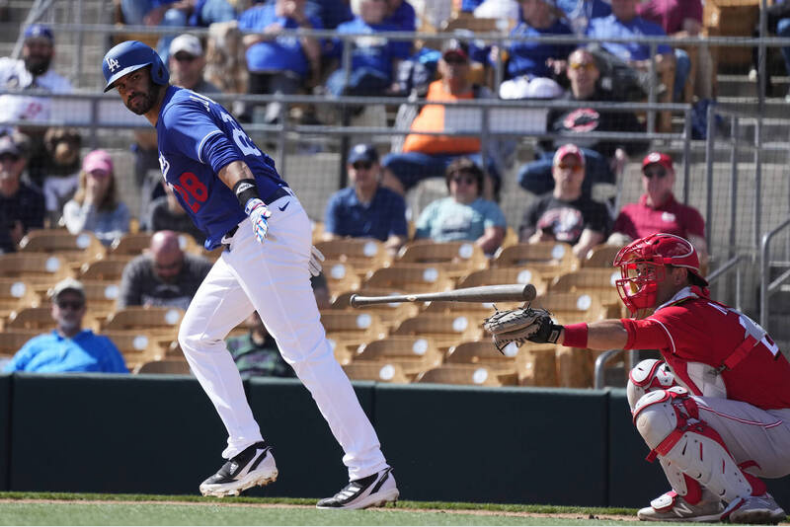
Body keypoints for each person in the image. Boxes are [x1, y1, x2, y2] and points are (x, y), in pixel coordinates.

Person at [102, 40, 397, 508]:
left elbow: (222, 153)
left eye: (135, 77)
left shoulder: (176, 112)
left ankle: (369, 468)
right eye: (120, 85)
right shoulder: (184, 106)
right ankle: (247, 447)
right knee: (197, 335)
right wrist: (284, 225)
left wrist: (253, 201)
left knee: (307, 355)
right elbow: (256, 157)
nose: (129, 89)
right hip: (258, 233)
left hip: (255, 225)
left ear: (156, 71)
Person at [487, 233, 790, 523]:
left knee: (659, 408)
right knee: (645, 379)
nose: (640, 278)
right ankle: (696, 501)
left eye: (650, 269)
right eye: (640, 270)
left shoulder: (687, 314)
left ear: (679, 276)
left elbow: (625, 333)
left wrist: (556, 333)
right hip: (760, 423)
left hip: (777, 432)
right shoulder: (692, 309)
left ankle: (754, 498)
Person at [382, 39, 504, 199]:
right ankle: (397, 217)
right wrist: (398, 151)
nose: (453, 66)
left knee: (486, 167)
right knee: (389, 164)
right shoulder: (422, 93)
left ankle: (489, 218)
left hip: (466, 160)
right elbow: (401, 128)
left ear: (469, 66)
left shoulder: (481, 94)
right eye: (449, 60)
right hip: (423, 160)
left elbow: (498, 133)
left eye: (459, 61)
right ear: (440, 64)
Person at [517, 48, 647, 197]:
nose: (582, 71)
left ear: (596, 72)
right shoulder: (557, 106)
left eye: (588, 66)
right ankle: (558, 201)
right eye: (576, 66)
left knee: (581, 163)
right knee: (526, 174)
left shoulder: (611, 103)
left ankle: (576, 202)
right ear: (568, 72)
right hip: (560, 162)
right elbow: (541, 145)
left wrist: (622, 149)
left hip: (593, 161)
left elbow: (640, 137)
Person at [2, 278, 129, 374]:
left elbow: (123, 386)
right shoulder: (35, 345)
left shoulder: (103, 346)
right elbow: (6, 380)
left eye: (75, 305)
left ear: (83, 310)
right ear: (53, 309)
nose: (69, 310)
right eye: (63, 304)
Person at [0, 24, 73, 186]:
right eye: (32, 45)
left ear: (52, 51)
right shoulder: (5, 68)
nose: (36, 51)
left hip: (32, 145)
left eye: (42, 46)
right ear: (24, 48)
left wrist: (36, 129)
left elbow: (63, 128)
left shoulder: (61, 85)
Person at [610, 151, 708, 268]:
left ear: (672, 177)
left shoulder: (689, 215)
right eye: (649, 174)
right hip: (631, 276)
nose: (654, 178)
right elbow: (610, 251)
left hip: (667, 277)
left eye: (661, 173)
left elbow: (700, 255)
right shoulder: (627, 212)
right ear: (643, 178)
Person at [237, 0, 322, 124]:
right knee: (245, 83)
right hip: (253, 71)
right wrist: (262, 36)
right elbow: (237, 45)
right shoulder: (256, 14)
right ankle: (240, 121)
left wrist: (302, 21)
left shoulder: (310, 21)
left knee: (281, 90)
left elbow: (314, 54)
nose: (294, 3)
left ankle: (274, 126)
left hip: (287, 75)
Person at [518, 144, 610, 259]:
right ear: (553, 171)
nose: (569, 171)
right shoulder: (536, 206)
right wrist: (537, 241)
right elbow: (523, 246)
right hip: (538, 267)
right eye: (563, 166)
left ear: (583, 173)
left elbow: (585, 248)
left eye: (575, 167)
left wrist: (557, 262)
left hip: (576, 271)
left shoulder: (596, 210)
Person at [323, 143, 408, 255]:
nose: (362, 172)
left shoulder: (394, 200)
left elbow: (398, 238)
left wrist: (372, 251)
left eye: (367, 165)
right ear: (349, 168)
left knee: (392, 253)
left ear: (378, 167)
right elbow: (330, 238)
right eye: (357, 166)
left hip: (381, 260)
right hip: (346, 260)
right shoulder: (338, 201)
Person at [414, 157, 506, 255]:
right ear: (449, 183)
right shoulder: (434, 208)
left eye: (469, 181)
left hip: (476, 261)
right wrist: (440, 255)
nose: (463, 184)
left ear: (478, 184)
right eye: (457, 180)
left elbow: (493, 237)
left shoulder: (489, 207)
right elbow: (420, 239)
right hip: (437, 260)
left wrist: (465, 254)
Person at [325, 0, 411, 97]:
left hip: (376, 77)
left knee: (365, 78)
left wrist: (397, 83)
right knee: (339, 80)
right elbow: (334, 59)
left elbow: (398, 60)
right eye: (372, 1)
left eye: (379, 2)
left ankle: (350, 100)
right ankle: (348, 99)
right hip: (346, 76)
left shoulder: (393, 31)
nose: (376, 4)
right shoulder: (344, 28)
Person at [496, 0, 574, 100]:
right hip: (517, 83)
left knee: (540, 88)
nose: (523, 6)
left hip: (546, 83)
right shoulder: (517, 29)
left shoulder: (561, 30)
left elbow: (573, 59)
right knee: (508, 89)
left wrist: (563, 64)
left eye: (527, 2)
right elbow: (500, 57)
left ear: (541, 4)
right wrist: (496, 56)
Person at [118, 230, 213, 310]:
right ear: (151, 256)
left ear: (182, 255)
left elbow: (211, 310)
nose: (166, 272)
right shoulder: (136, 269)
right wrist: (142, 315)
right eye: (159, 266)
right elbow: (125, 310)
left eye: (172, 266)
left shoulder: (201, 269)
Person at [586, 0, 675, 84]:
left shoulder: (652, 29)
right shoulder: (595, 26)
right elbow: (583, 54)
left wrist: (641, 65)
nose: (622, 3)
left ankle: (631, 74)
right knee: (594, 49)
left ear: (636, 2)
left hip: (637, 84)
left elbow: (666, 60)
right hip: (604, 81)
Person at [637, 0, 710, 102]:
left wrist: (661, 44)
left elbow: (690, 34)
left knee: (681, 59)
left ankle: (663, 105)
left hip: (666, 52)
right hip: (635, 49)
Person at [119, 0, 237, 63]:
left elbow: (192, 4)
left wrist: (164, 9)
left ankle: (160, 70)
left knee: (175, 16)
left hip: (174, 18)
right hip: (145, 17)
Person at [62, 149, 131, 247]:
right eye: (93, 174)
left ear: (110, 179)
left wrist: (93, 241)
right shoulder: (72, 208)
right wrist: (90, 203)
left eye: (102, 174)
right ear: (85, 177)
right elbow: (80, 239)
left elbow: (119, 241)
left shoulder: (120, 209)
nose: (97, 180)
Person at [0, 133, 44, 254]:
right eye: (2, 159)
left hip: (23, 260)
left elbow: (38, 243)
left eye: (13, 158)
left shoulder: (35, 197)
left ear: (22, 162)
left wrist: (23, 240)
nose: (7, 164)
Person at [226, 311, 297, 379]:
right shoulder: (233, 344)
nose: (254, 313)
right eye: (250, 309)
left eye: (258, 309)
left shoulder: (283, 347)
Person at [40, 127, 82, 225]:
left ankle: (73, 221)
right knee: (50, 196)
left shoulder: (74, 141)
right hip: (55, 183)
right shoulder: (51, 142)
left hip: (72, 182)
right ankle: (55, 222)